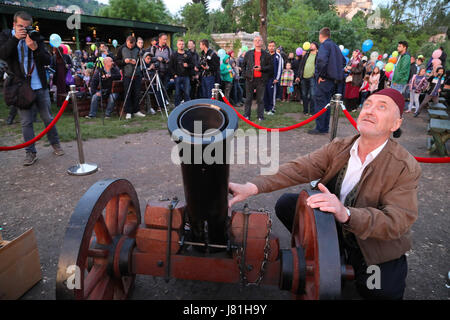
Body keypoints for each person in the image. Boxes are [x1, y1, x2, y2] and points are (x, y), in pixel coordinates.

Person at [228, 88, 421, 300]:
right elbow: (299, 168)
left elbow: (398, 221)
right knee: (286, 204)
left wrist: (346, 213)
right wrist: (252, 187)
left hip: (372, 243)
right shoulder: (340, 147)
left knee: (380, 291)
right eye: (367, 104)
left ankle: (342, 259)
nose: (370, 110)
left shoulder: (404, 166)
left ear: (396, 124)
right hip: (333, 224)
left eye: (381, 107)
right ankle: (330, 253)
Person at [0, 11, 64, 165]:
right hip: (21, 87)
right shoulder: (6, 36)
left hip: (39, 85)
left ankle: (56, 144)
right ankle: (30, 152)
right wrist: (15, 39)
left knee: (48, 118)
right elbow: (3, 54)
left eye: (27, 27)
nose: (24, 30)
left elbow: (48, 60)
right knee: (26, 121)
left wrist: (35, 48)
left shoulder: (36, 37)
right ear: (14, 25)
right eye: (21, 26)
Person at [309, 27, 345, 135]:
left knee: (320, 103)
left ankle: (320, 128)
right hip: (333, 81)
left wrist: (321, 75)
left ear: (320, 36)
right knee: (327, 104)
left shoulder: (325, 45)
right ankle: (325, 127)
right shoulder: (335, 46)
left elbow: (321, 61)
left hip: (324, 80)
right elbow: (343, 61)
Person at [241, 35, 273, 121]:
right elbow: (243, 65)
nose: (258, 42)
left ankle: (260, 116)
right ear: (254, 42)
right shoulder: (248, 53)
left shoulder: (266, 55)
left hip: (261, 80)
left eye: (259, 40)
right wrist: (245, 75)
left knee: (260, 99)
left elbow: (270, 67)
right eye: (256, 40)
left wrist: (261, 68)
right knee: (248, 99)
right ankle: (247, 115)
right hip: (250, 79)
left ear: (262, 42)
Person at [116, 36, 146, 120]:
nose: (130, 47)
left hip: (137, 74)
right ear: (127, 41)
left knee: (137, 93)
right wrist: (124, 62)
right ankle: (128, 112)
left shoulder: (138, 49)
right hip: (127, 74)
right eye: (129, 45)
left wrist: (137, 62)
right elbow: (117, 61)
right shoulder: (121, 48)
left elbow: (142, 61)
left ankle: (136, 110)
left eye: (132, 46)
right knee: (128, 93)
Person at [169, 38, 193, 107]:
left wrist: (187, 65)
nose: (181, 45)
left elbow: (192, 65)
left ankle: (187, 107)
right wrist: (174, 75)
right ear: (177, 45)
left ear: (184, 45)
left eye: (182, 44)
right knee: (177, 93)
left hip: (186, 77)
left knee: (187, 92)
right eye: (180, 44)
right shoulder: (174, 55)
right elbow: (171, 66)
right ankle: (177, 107)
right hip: (177, 76)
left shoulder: (188, 54)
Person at [297, 42, 318, 116]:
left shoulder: (318, 55)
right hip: (304, 77)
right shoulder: (306, 54)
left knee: (312, 95)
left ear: (316, 46)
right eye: (311, 44)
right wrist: (298, 76)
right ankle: (305, 111)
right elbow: (301, 65)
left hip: (312, 77)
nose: (311, 45)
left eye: (312, 44)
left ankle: (312, 111)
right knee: (304, 94)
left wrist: (316, 74)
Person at [264, 41, 283, 115]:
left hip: (273, 78)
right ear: (268, 47)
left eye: (273, 46)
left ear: (275, 47)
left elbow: (280, 67)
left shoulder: (278, 56)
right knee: (265, 94)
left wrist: (277, 78)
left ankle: (272, 109)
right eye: (270, 46)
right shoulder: (266, 55)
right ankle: (266, 108)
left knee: (272, 94)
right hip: (265, 78)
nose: (271, 47)